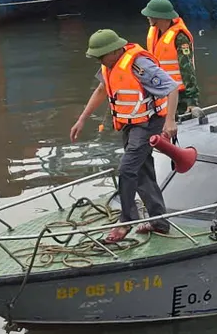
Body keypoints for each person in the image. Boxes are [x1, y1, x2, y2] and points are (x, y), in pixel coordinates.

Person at [71, 29, 178, 243]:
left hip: (147, 124)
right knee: (142, 172)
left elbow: (171, 87)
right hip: (130, 124)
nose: (100, 60)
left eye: (101, 56)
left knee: (127, 170)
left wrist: (170, 120)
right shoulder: (109, 65)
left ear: (115, 50)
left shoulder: (140, 65)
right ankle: (159, 222)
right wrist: (82, 118)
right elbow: (102, 89)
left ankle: (126, 221)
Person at [142, 0, 201, 119]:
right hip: (160, 90)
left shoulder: (180, 37)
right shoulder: (154, 32)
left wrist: (192, 100)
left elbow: (187, 68)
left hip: (180, 94)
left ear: (160, 17)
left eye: (150, 15)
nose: (147, 17)